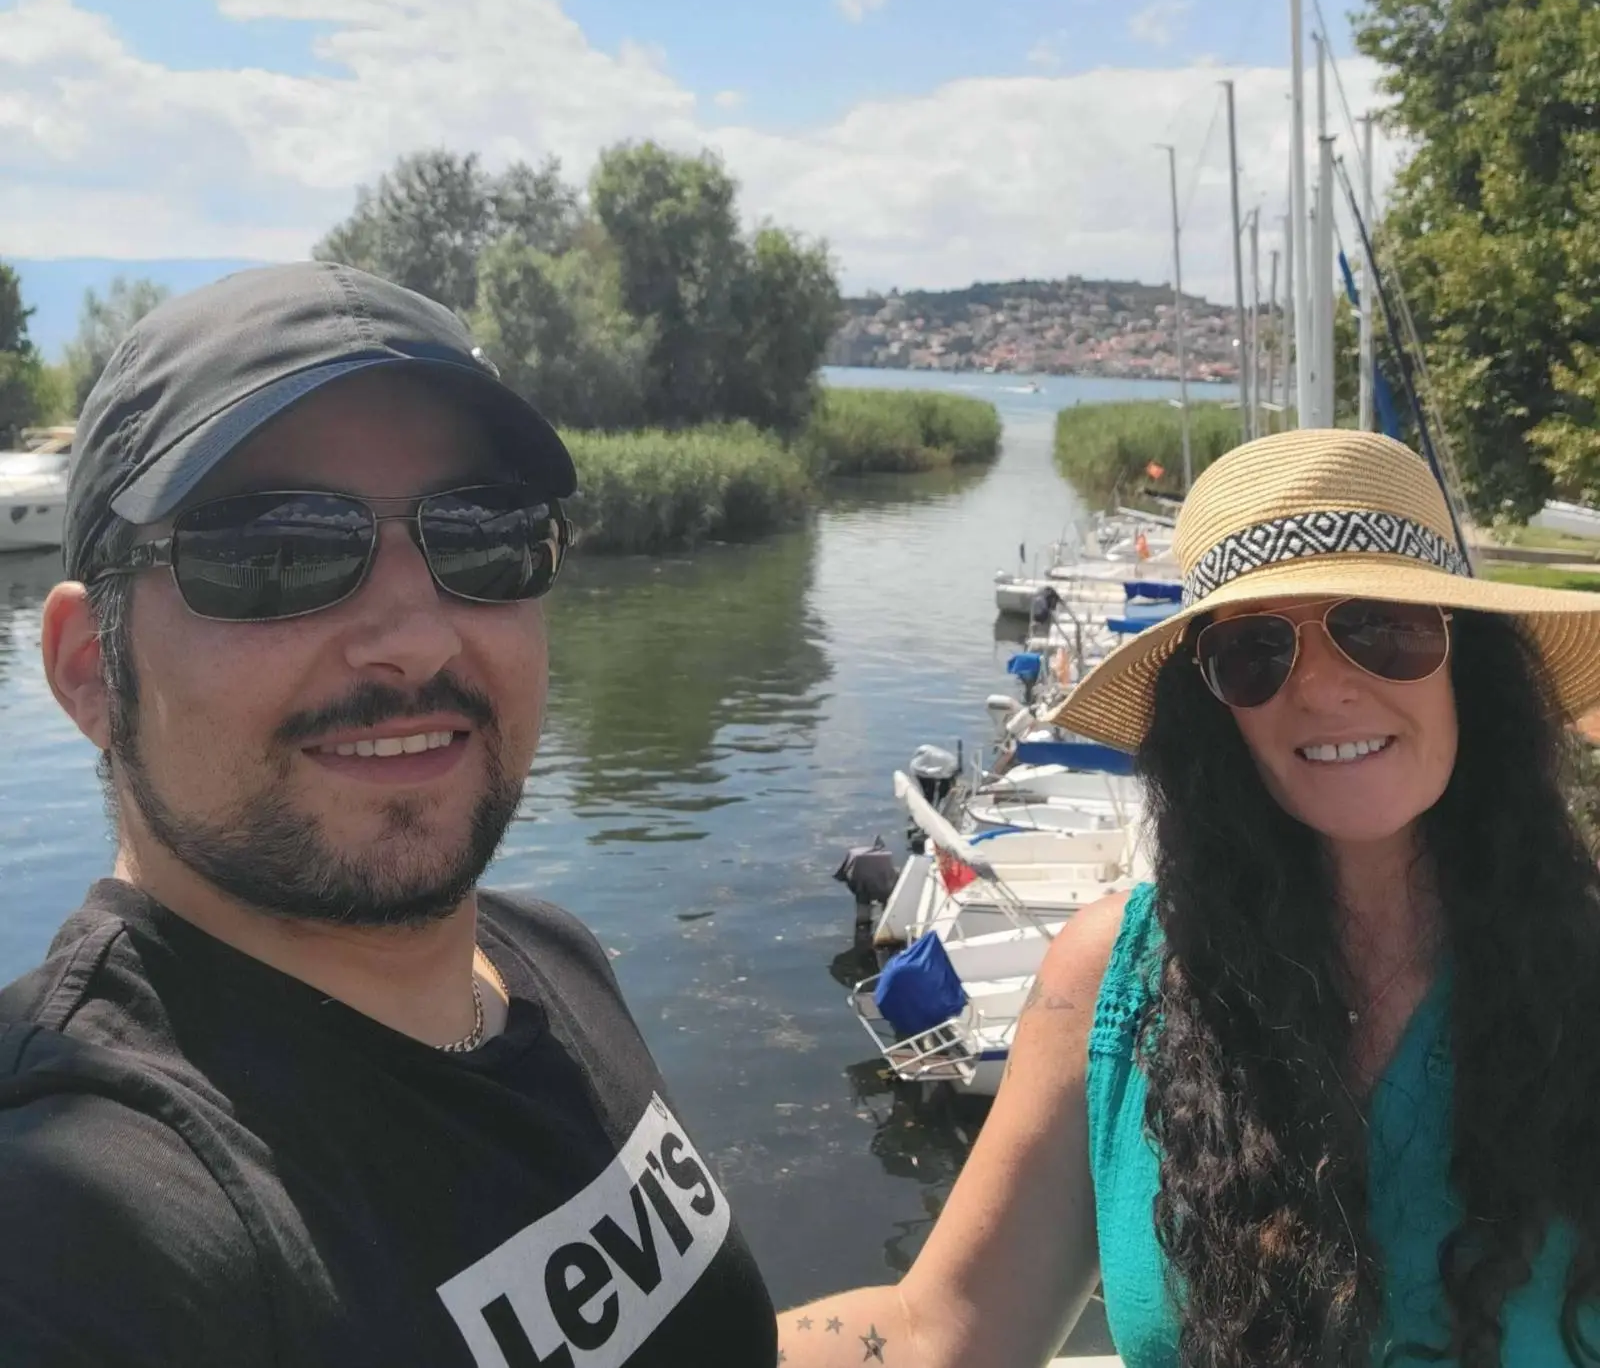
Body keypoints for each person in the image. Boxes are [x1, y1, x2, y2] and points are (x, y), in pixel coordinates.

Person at [0, 263, 776, 1368]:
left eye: (482, 533)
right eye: (275, 552)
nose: (415, 638)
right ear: (91, 672)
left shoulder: (550, 959)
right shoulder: (80, 1214)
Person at [780, 429, 1600, 1368]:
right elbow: (944, 1328)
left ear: (1470, 667)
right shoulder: (1111, 980)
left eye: (1380, 626)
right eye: (1256, 652)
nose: (1324, 688)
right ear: (1214, 707)